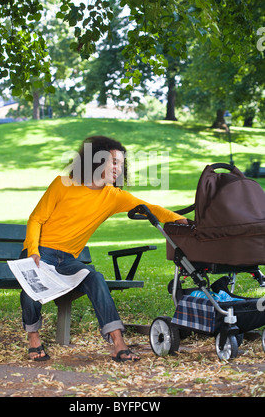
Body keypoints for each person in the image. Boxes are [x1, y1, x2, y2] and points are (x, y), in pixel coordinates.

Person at [20, 135, 187, 362]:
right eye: (114, 162)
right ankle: (34, 339)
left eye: (121, 164)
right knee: (31, 285)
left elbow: (148, 208)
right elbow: (36, 219)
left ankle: (118, 344)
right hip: (41, 252)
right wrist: (33, 252)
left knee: (95, 278)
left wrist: (179, 219)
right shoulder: (63, 184)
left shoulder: (112, 196)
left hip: (68, 260)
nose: (118, 169)